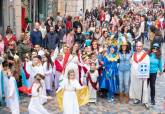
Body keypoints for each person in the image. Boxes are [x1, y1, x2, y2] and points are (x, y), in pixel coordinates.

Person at [129, 41, 150, 109]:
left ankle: (145, 101)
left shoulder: (145, 55)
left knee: (144, 88)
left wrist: (146, 75)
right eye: (137, 46)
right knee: (136, 86)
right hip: (134, 74)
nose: (138, 47)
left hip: (142, 74)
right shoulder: (134, 54)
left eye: (140, 46)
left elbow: (147, 65)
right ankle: (137, 99)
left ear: (142, 46)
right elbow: (131, 62)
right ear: (136, 47)